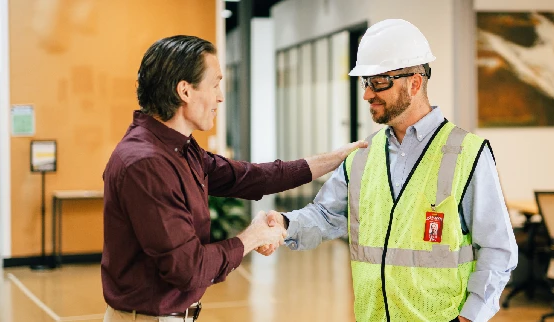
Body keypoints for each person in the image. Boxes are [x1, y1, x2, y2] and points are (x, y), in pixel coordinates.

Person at [261, 19, 518, 322]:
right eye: (366, 82)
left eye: (380, 81)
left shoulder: (468, 152)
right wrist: (284, 223)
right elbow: (327, 215)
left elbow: (497, 248)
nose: (368, 95)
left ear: (415, 82)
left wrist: (470, 316)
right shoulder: (362, 156)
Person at [101, 35, 367, 321]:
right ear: (185, 91)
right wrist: (252, 237)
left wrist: (337, 157)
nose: (220, 96)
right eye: (215, 84)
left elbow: (252, 177)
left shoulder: (180, 148)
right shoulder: (147, 164)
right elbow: (188, 270)